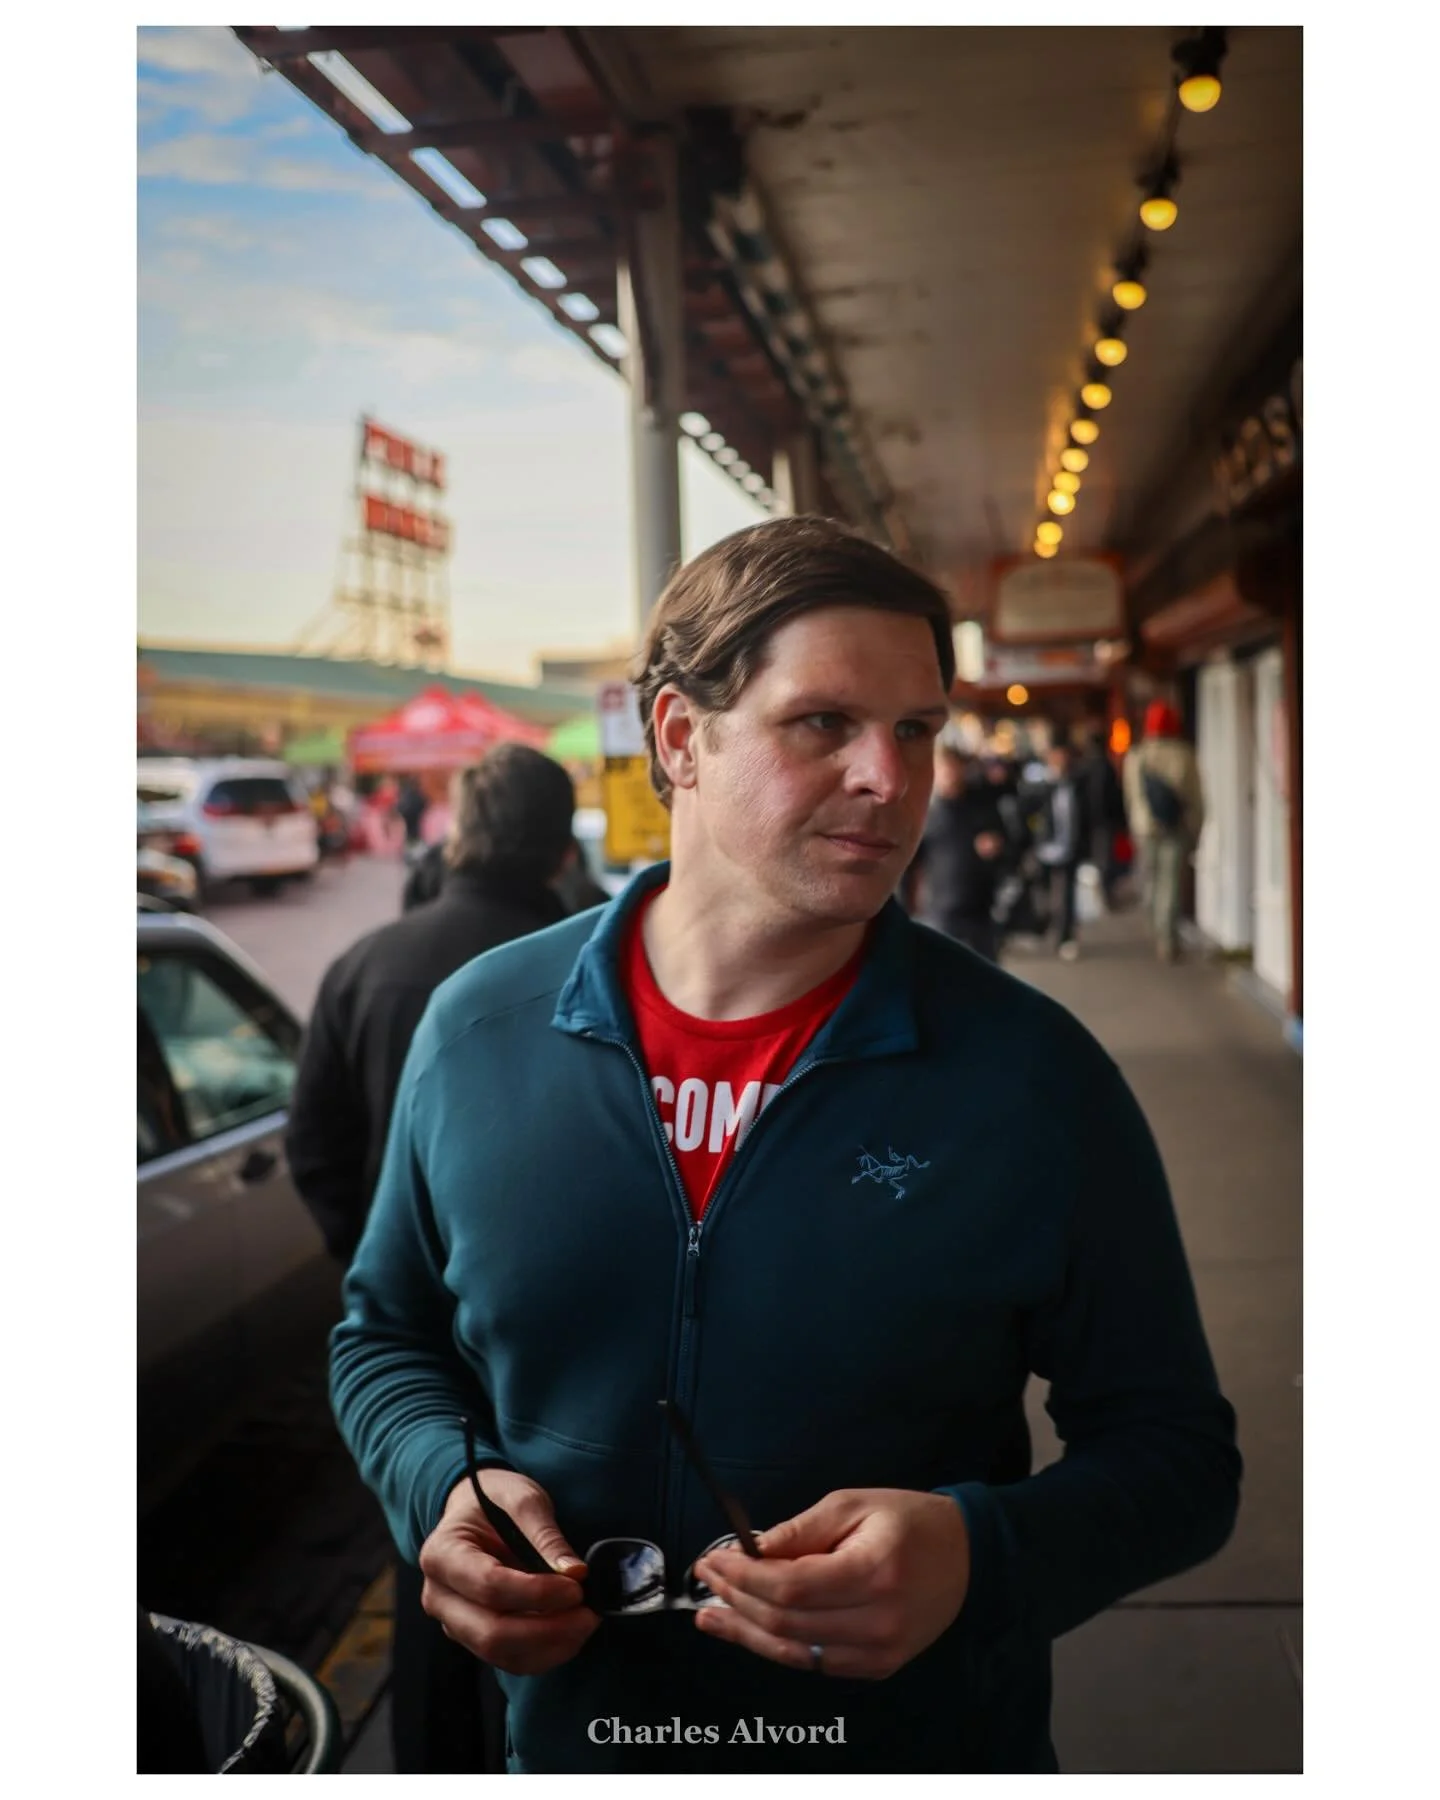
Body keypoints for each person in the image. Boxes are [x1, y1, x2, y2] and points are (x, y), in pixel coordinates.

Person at [331, 515, 1239, 1775]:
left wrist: (982, 1554)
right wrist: (445, 1487)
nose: (891, 775)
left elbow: (1178, 1457)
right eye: (824, 724)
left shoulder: (1030, 1075)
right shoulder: (481, 1030)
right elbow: (385, 1336)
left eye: (916, 729)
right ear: (679, 739)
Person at [285, 743, 578, 1774]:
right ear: (558, 842)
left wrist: (372, 1256)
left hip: (412, 1357)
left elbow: (311, 1144)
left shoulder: (366, 961)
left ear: (459, 831)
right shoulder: (588, 967)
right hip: (546, 1359)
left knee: (435, 1559)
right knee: (549, 1568)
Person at [907, 744, 1007, 960]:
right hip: (941, 910)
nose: (950, 774)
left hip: (981, 907)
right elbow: (909, 866)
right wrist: (905, 910)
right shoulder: (924, 813)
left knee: (989, 976)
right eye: (944, 768)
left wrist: (997, 846)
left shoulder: (983, 807)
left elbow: (1009, 846)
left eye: (954, 767)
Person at [1123, 700, 1206, 962]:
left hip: (1145, 827)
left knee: (1151, 878)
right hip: (1176, 827)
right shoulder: (1183, 754)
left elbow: (1131, 797)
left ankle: (1155, 924)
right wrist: (1197, 829)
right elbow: (1197, 797)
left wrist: (1136, 825)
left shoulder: (1136, 756)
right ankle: (1167, 938)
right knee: (1170, 883)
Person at [1033, 737, 1091, 961]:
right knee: (1044, 893)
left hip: (1069, 848)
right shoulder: (1041, 786)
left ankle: (1065, 937)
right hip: (1045, 848)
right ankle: (1044, 927)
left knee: (1068, 895)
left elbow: (1087, 817)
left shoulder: (1078, 785)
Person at [1075, 730, 1126, 908]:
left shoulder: (1085, 766)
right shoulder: (1102, 766)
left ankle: (1102, 895)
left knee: (1101, 859)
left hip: (1095, 821)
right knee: (1104, 859)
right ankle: (1103, 896)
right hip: (1102, 821)